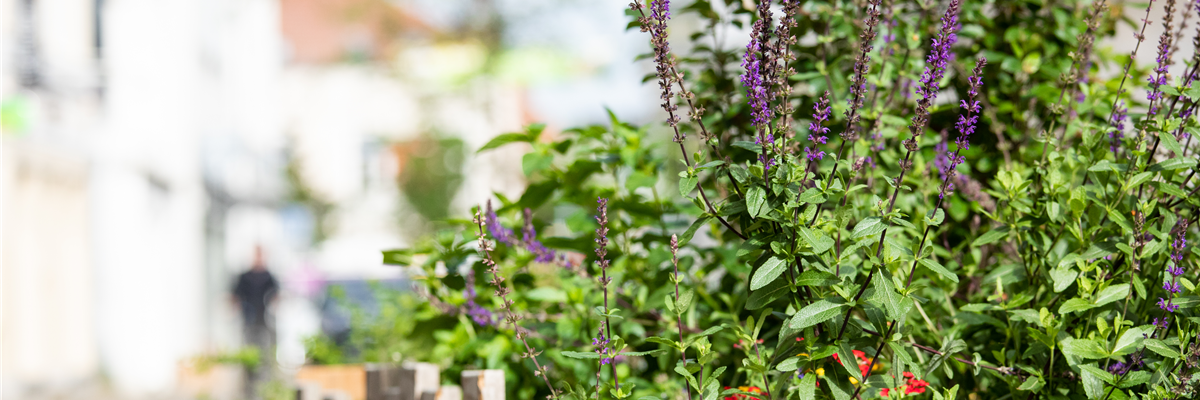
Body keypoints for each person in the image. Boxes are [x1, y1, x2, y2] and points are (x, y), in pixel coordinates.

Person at [232, 245, 278, 398]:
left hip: (265, 322)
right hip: (248, 322)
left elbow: (276, 297)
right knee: (249, 358)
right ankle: (249, 390)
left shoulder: (269, 277)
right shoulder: (244, 277)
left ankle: (266, 389)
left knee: (266, 357)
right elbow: (235, 297)